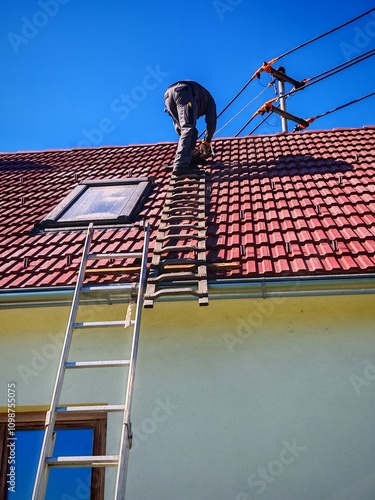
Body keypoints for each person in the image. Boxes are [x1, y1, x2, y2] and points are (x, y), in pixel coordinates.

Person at [164, 80, 217, 175]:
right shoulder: (210, 102)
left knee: (188, 129)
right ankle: (181, 164)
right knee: (188, 127)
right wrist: (207, 141)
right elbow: (211, 122)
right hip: (184, 92)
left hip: (168, 96)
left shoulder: (203, 99)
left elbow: (178, 127)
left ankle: (188, 158)